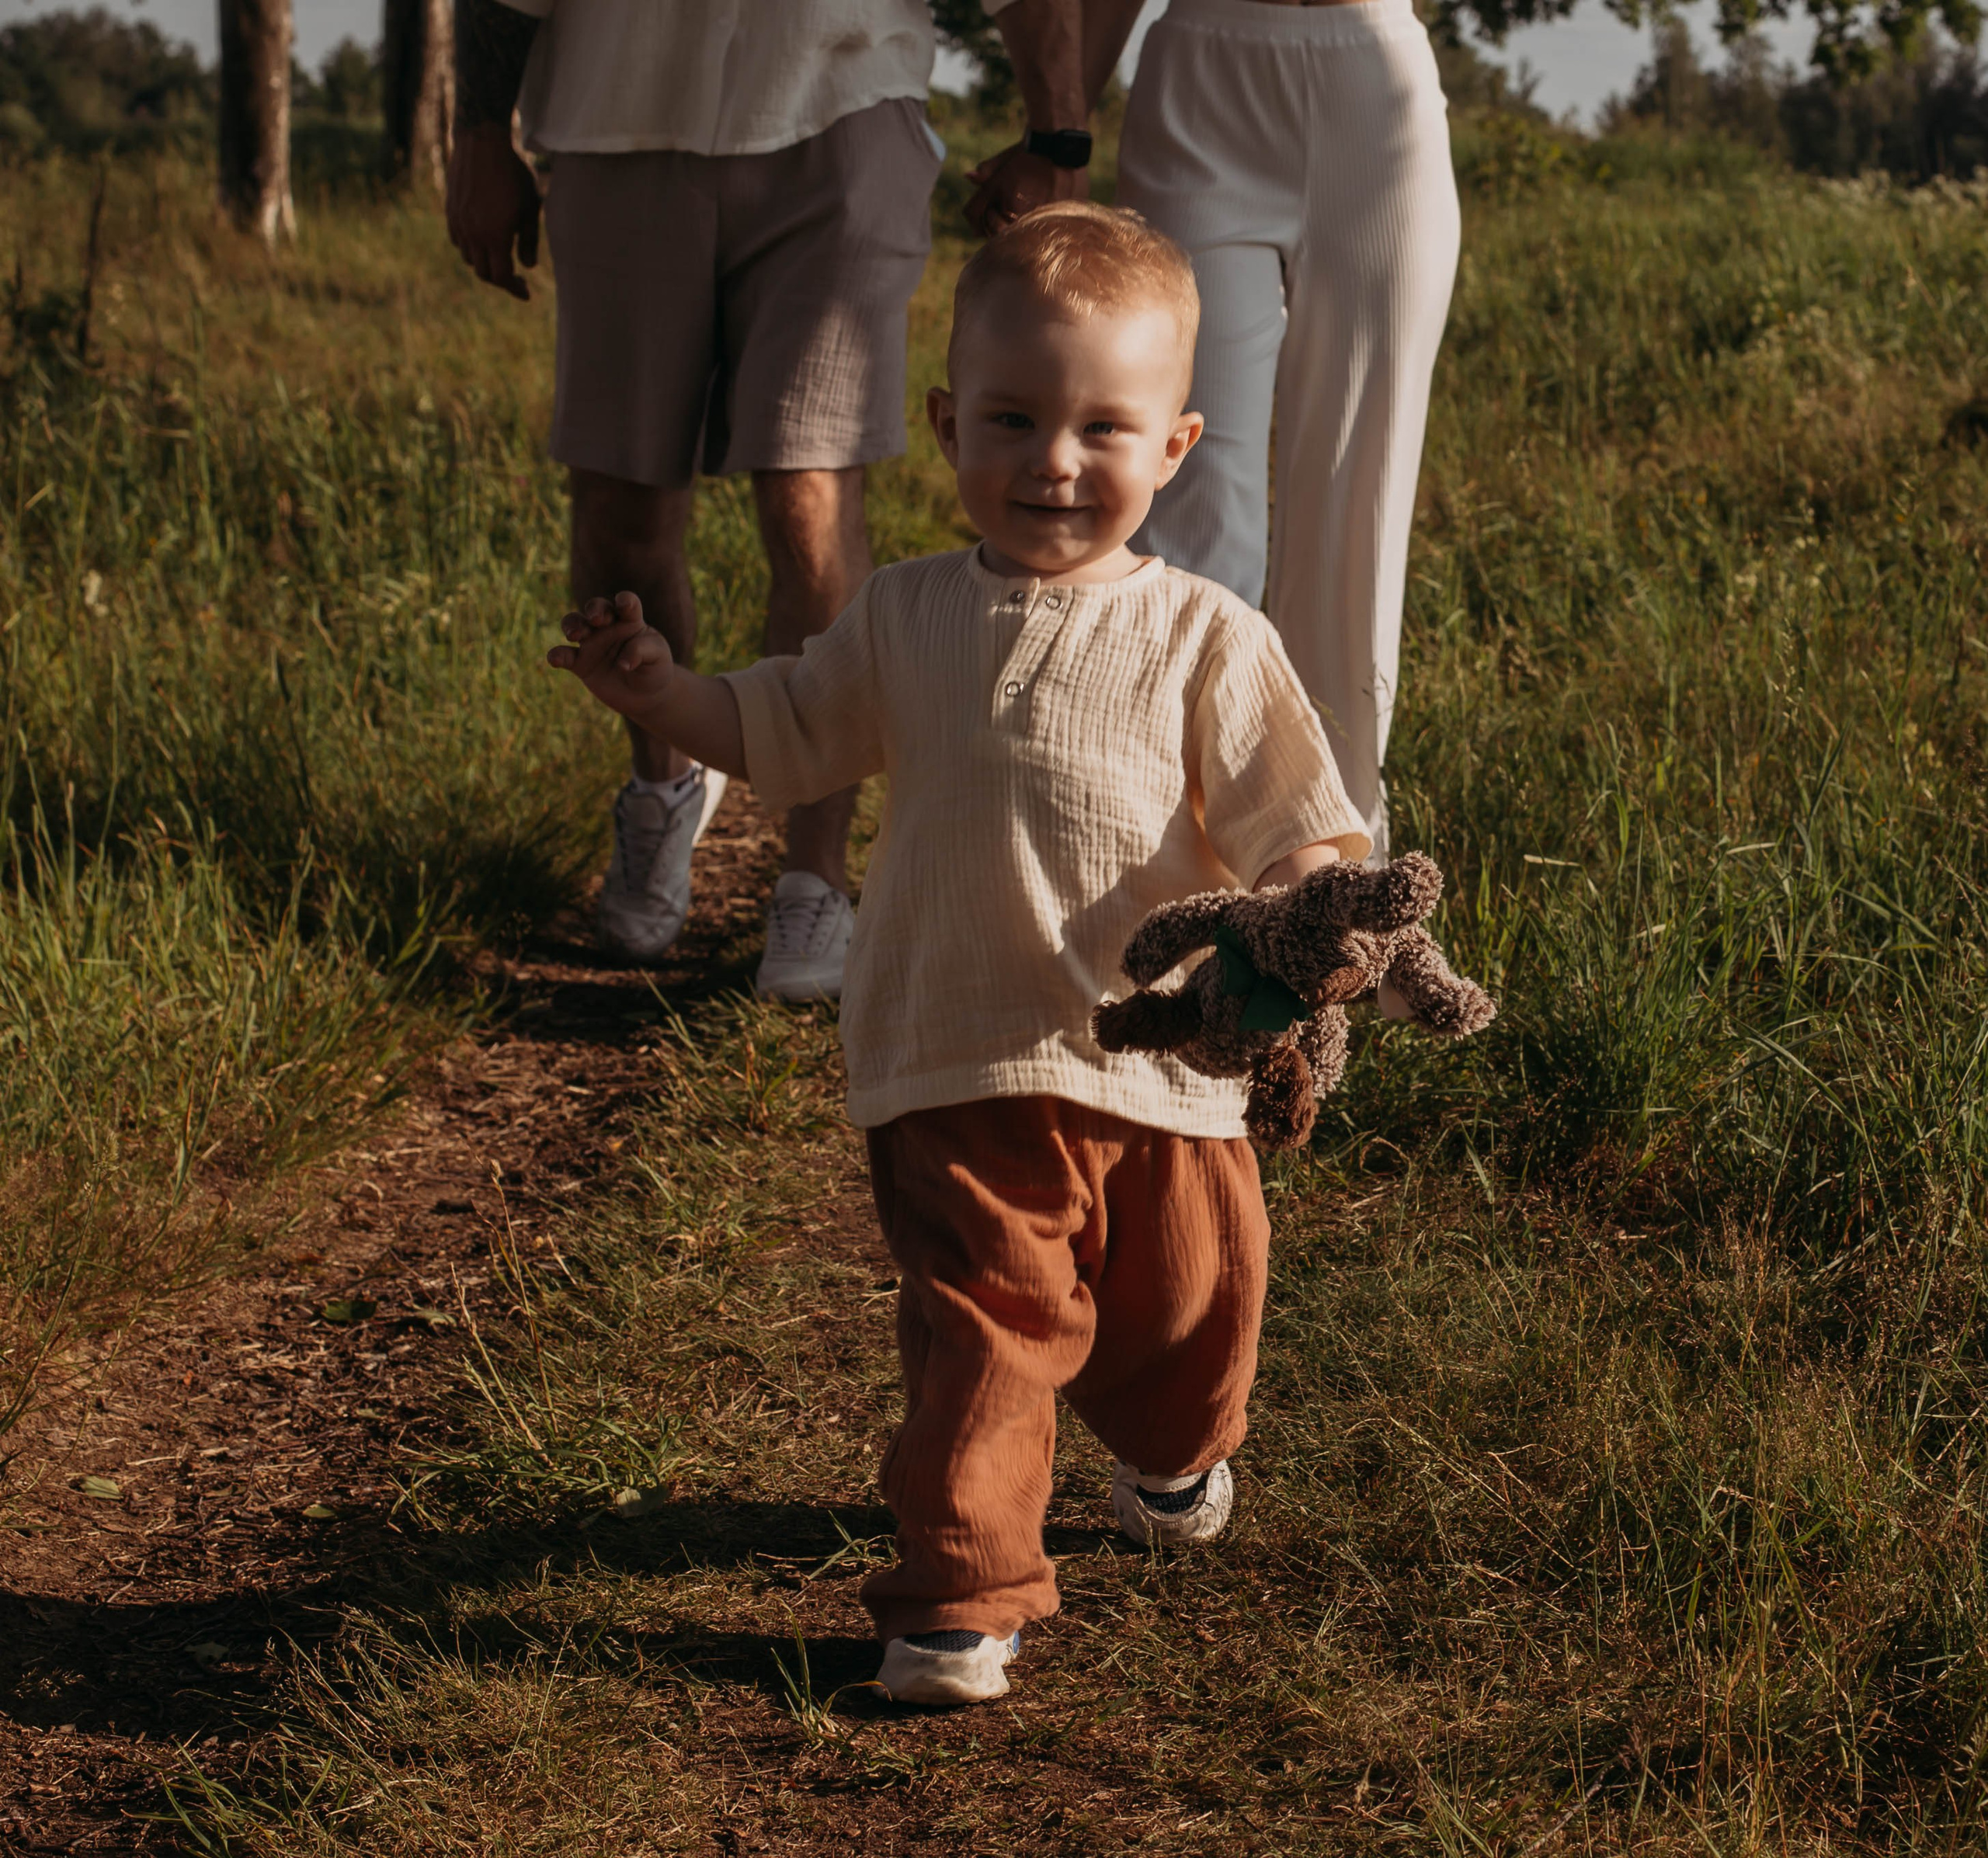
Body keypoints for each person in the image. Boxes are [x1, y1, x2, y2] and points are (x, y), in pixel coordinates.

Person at [548, 204, 1371, 1705]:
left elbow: (1296, 821)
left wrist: (1311, 908)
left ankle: (1181, 1455)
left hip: (1163, 1073)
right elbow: (780, 730)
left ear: (1176, 446)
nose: (1055, 460)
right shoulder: (906, 613)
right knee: (992, 1327)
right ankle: (959, 1594)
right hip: (957, 1057)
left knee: (1189, 1318)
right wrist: (664, 693)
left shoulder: (1209, 635)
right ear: (944, 424)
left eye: (1102, 428)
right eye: (1013, 419)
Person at [445, 0, 1092, 997]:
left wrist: (1056, 137)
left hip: (839, 112)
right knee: (623, 512)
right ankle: (663, 784)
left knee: (809, 502)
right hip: (615, 124)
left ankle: (813, 876)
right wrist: (480, 131)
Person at [973, 0, 1461, 860]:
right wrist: (1059, 138)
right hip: (1200, 75)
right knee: (1186, 499)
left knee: (1358, 513)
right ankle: (1169, 869)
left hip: (1374, 84)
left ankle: (1338, 885)